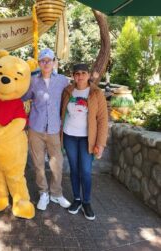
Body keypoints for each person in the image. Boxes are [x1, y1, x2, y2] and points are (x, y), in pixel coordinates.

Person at [22, 48, 70, 211]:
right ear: (39, 63)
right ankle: (44, 193)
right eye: (43, 60)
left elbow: (73, 92)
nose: (46, 63)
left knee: (57, 163)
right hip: (36, 127)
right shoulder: (33, 80)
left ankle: (56, 194)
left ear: (54, 62)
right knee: (38, 163)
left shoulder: (63, 80)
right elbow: (23, 96)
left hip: (54, 129)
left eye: (49, 60)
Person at [61, 63, 108, 220]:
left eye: (83, 73)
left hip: (87, 139)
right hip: (69, 136)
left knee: (86, 171)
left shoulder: (96, 93)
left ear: (88, 75)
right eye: (77, 73)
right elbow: (61, 111)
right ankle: (77, 199)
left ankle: (87, 202)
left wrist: (100, 144)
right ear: (73, 76)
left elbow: (102, 119)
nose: (80, 76)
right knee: (74, 169)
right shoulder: (68, 91)